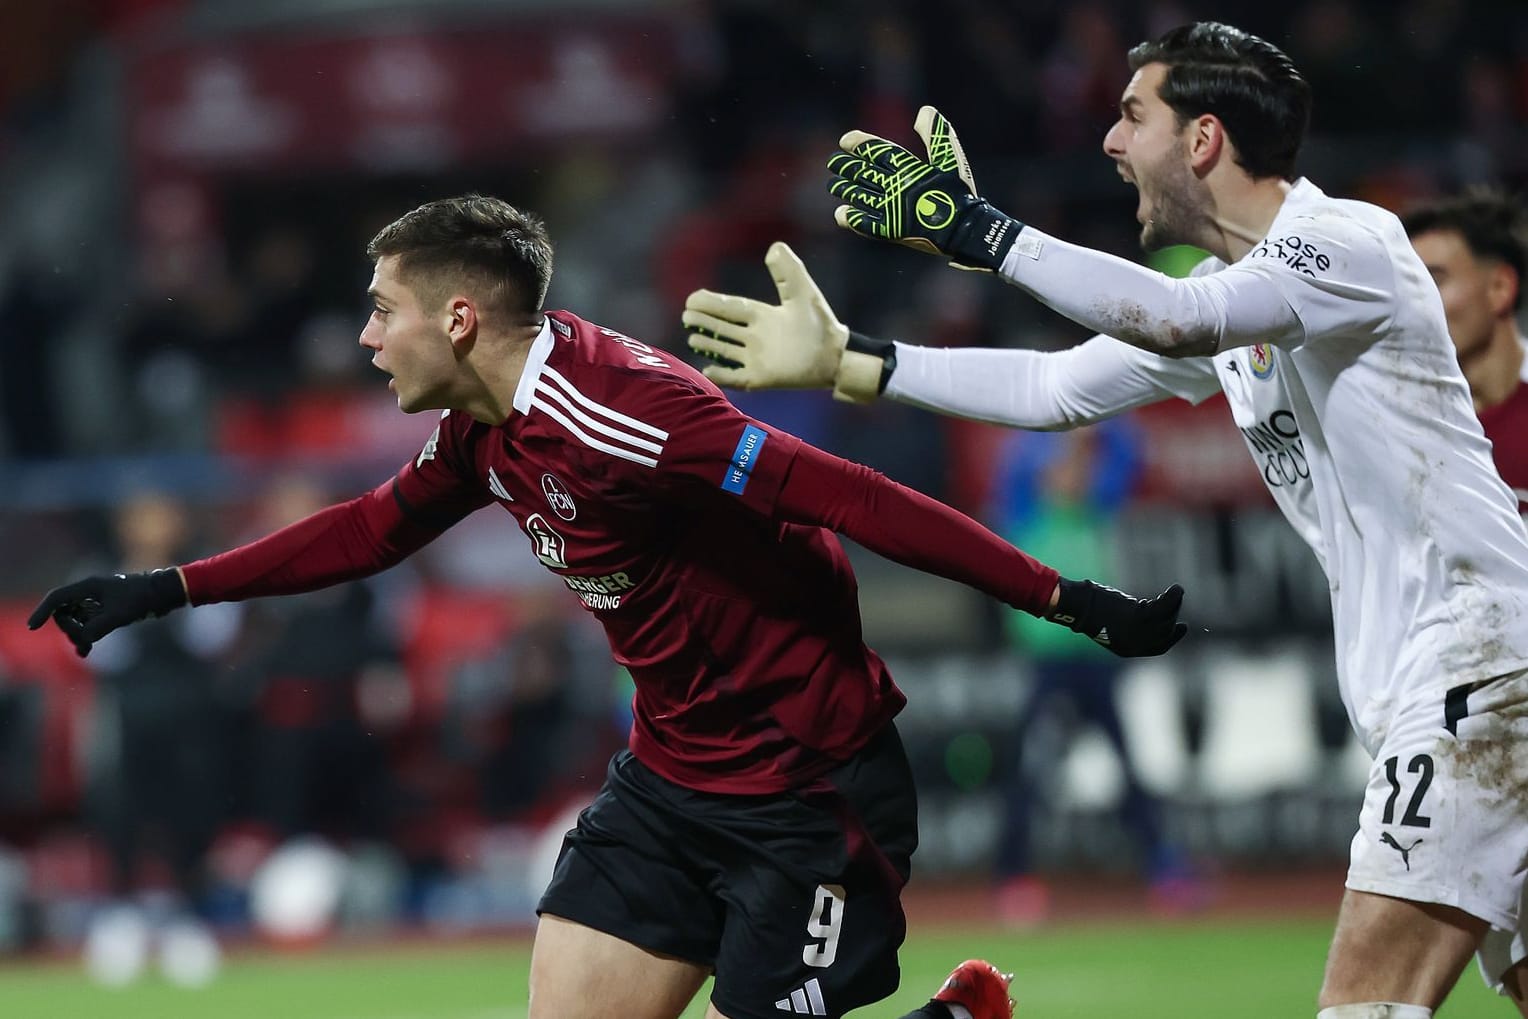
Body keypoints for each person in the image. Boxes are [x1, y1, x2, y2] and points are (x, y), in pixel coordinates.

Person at [28, 195, 1188, 1019]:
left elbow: (858, 497)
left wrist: (1071, 601)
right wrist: (169, 587)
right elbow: (371, 527)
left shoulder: (632, 413)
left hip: (805, 782)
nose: (369, 336)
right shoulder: (480, 432)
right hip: (667, 785)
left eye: (385, 310)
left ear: (462, 320)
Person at [682, 21, 1528, 1018]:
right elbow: (1054, 385)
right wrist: (858, 360)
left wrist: (984, 234)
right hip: (1442, 675)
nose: (1109, 143)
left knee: (1365, 1003)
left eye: (1134, 116)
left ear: (1204, 139)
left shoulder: (1347, 240)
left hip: (1477, 663)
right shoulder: (1233, 299)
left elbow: (1172, 320)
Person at [987, 424, 1195, 925]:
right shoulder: (1023, 510)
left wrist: (1099, 423)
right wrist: (1066, 437)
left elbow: (1133, 453)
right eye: (1062, 467)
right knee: (1032, 772)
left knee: (1127, 766)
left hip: (1095, 659)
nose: (1074, 475)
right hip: (1048, 663)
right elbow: (1011, 466)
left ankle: (1163, 868)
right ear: (1044, 472)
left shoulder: (1094, 504)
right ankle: (1013, 878)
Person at [1403, 191, 1528, 512]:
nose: (1412, 305)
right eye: (1405, 286)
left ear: (1500, 288)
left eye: (1433, 281)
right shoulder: (1406, 425)